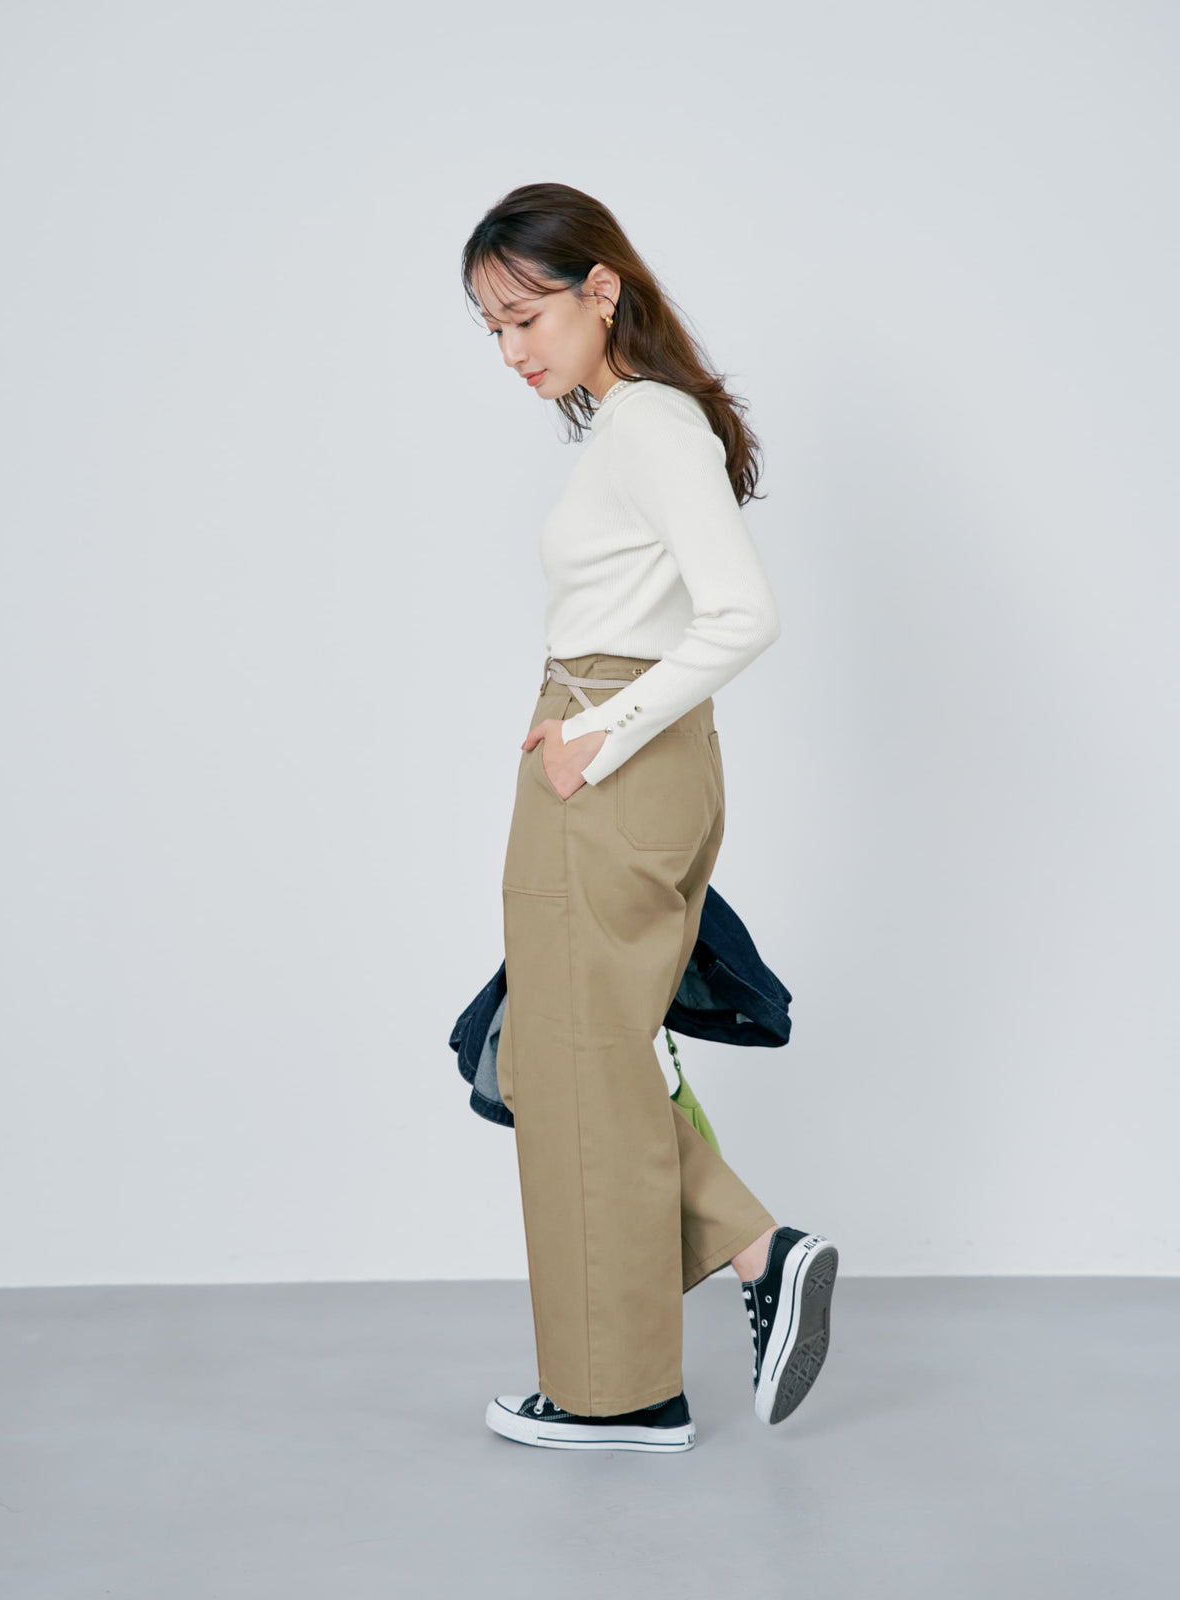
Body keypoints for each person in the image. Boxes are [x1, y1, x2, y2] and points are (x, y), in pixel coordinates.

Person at [462, 183, 838, 1453]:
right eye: (492, 329)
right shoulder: (631, 427)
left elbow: (744, 615)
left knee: (577, 1062)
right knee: (560, 1054)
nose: (511, 352)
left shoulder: (651, 425)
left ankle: (619, 1392)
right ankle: (751, 1252)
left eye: (525, 318)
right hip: (613, 754)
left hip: (613, 765)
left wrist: (598, 735)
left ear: (601, 289)